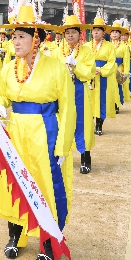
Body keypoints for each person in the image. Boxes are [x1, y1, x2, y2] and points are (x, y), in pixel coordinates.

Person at [0, 3, 75, 260]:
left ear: (35, 39)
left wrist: (62, 147)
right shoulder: (8, 68)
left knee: (43, 186)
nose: (15, 41)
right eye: (13, 36)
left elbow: (69, 108)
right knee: (14, 183)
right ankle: (15, 235)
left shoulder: (56, 67)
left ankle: (48, 242)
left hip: (44, 133)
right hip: (15, 134)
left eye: (21, 36)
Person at [53, 15, 96, 174]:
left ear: (80, 34)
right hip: (62, 90)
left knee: (82, 123)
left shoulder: (87, 52)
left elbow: (89, 73)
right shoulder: (57, 52)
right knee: (61, 121)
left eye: (73, 32)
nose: (70, 35)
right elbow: (53, 71)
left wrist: (76, 65)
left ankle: (86, 157)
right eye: (67, 33)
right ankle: (61, 155)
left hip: (79, 90)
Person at [84, 16, 116, 136]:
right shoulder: (86, 46)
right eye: (94, 30)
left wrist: (101, 70)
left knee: (101, 100)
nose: (95, 32)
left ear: (103, 32)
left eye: (98, 30)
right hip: (89, 76)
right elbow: (82, 60)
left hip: (102, 76)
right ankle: (89, 124)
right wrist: (89, 70)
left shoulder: (109, 46)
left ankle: (99, 124)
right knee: (89, 100)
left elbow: (111, 62)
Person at [110, 21, 130, 114]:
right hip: (108, 69)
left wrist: (125, 72)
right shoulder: (106, 45)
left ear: (120, 34)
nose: (114, 34)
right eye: (112, 32)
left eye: (116, 32)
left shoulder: (124, 46)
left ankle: (116, 105)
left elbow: (126, 60)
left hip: (118, 69)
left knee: (117, 87)